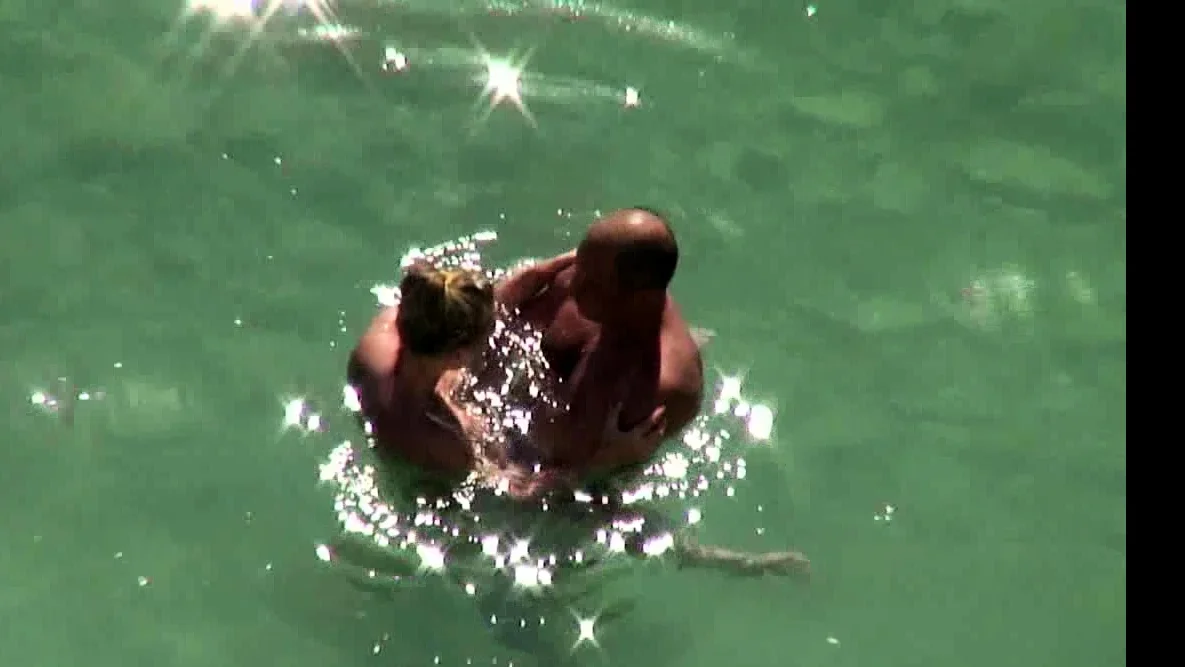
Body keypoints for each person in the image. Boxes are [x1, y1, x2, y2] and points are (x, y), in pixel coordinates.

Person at [496, 207, 704, 480]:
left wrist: (603, 463)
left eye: (591, 281)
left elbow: (538, 490)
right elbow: (487, 325)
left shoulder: (657, 389)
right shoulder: (582, 275)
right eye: (579, 262)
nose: (573, 282)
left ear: (638, 298)